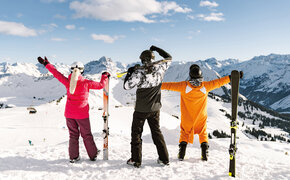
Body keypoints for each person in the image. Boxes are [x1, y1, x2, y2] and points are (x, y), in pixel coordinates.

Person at [161, 64, 243, 161]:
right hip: (201, 117)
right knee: (202, 133)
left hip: (187, 118)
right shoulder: (205, 86)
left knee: (184, 133)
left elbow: (167, 85)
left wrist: (152, 85)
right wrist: (232, 77)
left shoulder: (183, 86)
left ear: (190, 75)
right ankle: (204, 154)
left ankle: (182, 153)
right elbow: (219, 82)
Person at [37, 56, 110, 163]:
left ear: (71, 70)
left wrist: (46, 64)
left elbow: (56, 73)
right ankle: (93, 154)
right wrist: (105, 76)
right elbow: (101, 85)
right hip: (82, 114)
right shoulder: (86, 83)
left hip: (69, 114)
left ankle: (74, 157)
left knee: (73, 135)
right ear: (82, 70)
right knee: (86, 135)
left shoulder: (67, 82)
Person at [123, 45, 172, 168]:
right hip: (155, 109)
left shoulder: (138, 73)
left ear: (142, 60)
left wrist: (130, 73)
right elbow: (169, 57)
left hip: (140, 110)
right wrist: (156, 48)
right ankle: (164, 159)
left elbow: (126, 86)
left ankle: (136, 160)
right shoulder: (161, 67)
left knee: (136, 134)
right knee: (156, 133)